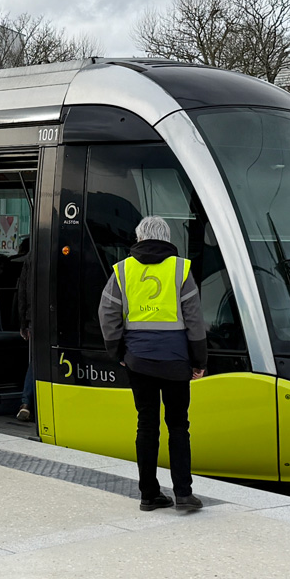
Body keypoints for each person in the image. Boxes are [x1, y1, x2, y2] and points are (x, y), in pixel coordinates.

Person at [99, 215, 207, 513]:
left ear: (139, 238)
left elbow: (107, 313)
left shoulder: (123, 270)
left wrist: (118, 352)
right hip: (176, 362)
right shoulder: (180, 270)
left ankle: (149, 494)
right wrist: (199, 360)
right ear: (167, 238)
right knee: (178, 426)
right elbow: (195, 320)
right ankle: (183, 494)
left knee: (147, 424)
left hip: (138, 361)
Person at [14, 238, 36, 423]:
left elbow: (22, 292)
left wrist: (23, 323)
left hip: (34, 319)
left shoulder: (30, 257)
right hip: (54, 319)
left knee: (36, 361)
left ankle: (26, 403)